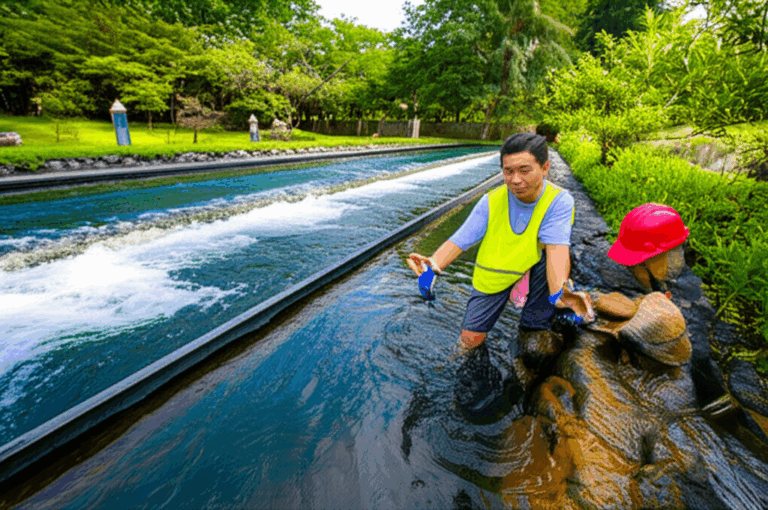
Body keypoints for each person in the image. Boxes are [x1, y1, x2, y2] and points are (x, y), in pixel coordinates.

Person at [408, 133, 593, 359]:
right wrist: (433, 266)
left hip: (534, 267)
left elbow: (557, 250)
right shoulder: (492, 201)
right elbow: (460, 240)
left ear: (545, 168)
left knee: (536, 322)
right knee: (469, 342)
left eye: (524, 170)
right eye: (508, 171)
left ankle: (535, 320)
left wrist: (559, 294)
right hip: (493, 273)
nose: (515, 179)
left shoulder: (559, 200)